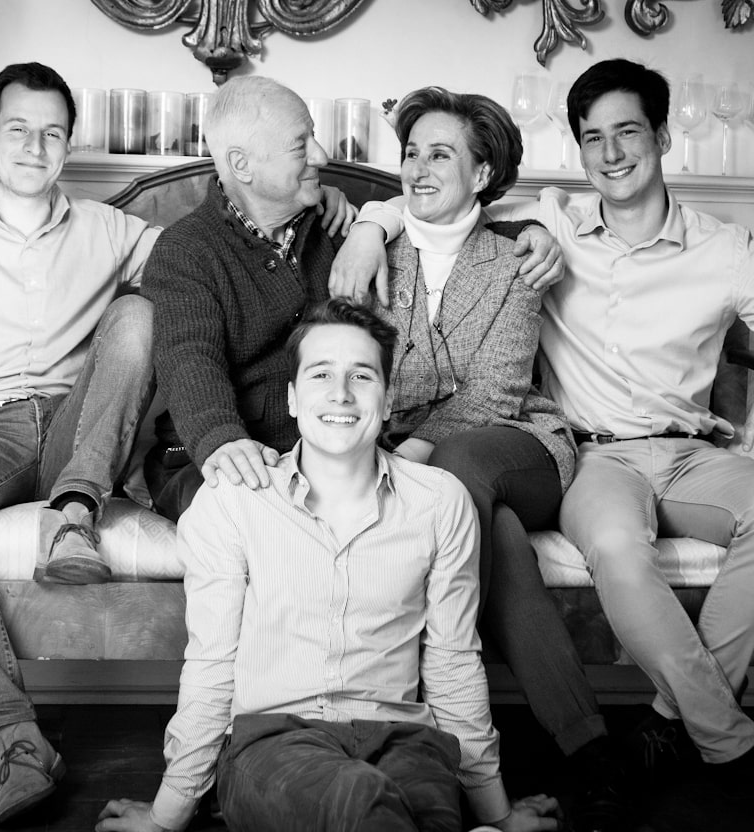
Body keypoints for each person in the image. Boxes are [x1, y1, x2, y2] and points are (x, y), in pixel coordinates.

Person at [334, 58, 754, 786]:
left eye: (628, 132)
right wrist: (371, 223)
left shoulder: (719, 249)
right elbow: (438, 201)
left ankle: (678, 719)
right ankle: (636, 747)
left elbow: (457, 194)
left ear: (662, 137)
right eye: (593, 138)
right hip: (600, 459)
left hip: (674, 452)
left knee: (461, 476)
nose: (611, 153)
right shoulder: (552, 221)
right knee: (572, 540)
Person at [97, 298, 561, 832]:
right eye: (320, 374)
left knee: (414, 811)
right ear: (293, 399)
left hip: (405, 741)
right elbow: (212, 663)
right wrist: (168, 813)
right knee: (361, 799)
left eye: (361, 375)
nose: (341, 393)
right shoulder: (234, 502)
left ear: (387, 400)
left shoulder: (440, 502)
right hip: (272, 742)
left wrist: (497, 811)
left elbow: (452, 662)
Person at [371, 85, 625, 832]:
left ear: (482, 173)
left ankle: (431, 724)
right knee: (497, 537)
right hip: (434, 466)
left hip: (518, 447)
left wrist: (409, 455)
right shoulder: (373, 250)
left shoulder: (518, 255)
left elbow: (496, 391)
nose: (418, 168)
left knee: (457, 470)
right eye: (411, 153)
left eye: (439, 154)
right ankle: (589, 751)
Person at [140, 75, 563, 522]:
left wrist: (529, 231)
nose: (322, 156)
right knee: (255, 519)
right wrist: (222, 438)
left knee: (465, 503)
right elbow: (190, 358)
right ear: (242, 165)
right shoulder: (188, 248)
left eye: (314, 137)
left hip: (336, 451)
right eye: (301, 145)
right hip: (228, 448)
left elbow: (450, 226)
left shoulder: (335, 229)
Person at [0, 62, 161, 823]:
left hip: (74, 426)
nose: (34, 146)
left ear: (68, 145)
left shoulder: (109, 229)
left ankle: (76, 514)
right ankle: (18, 740)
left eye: (52, 133)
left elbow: (206, 258)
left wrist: (364, 220)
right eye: (18, 129)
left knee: (139, 315)